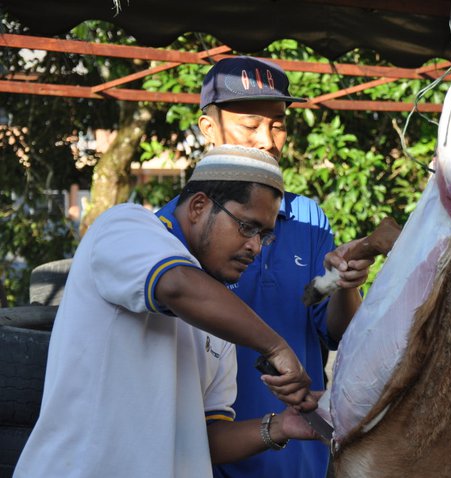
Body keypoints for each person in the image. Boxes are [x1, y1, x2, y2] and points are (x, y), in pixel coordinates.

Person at [13, 145, 318, 478]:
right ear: (199, 206)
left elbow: (205, 440)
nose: (255, 247)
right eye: (247, 227)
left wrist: (279, 427)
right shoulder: (126, 226)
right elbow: (175, 285)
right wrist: (276, 346)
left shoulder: (218, 316)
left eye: (264, 236)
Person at [198, 56, 373, 478]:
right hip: (211, 459)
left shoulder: (309, 218)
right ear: (208, 128)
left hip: (303, 454)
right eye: (250, 125)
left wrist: (345, 284)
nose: (268, 140)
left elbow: (335, 332)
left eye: (277, 124)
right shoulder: (183, 226)